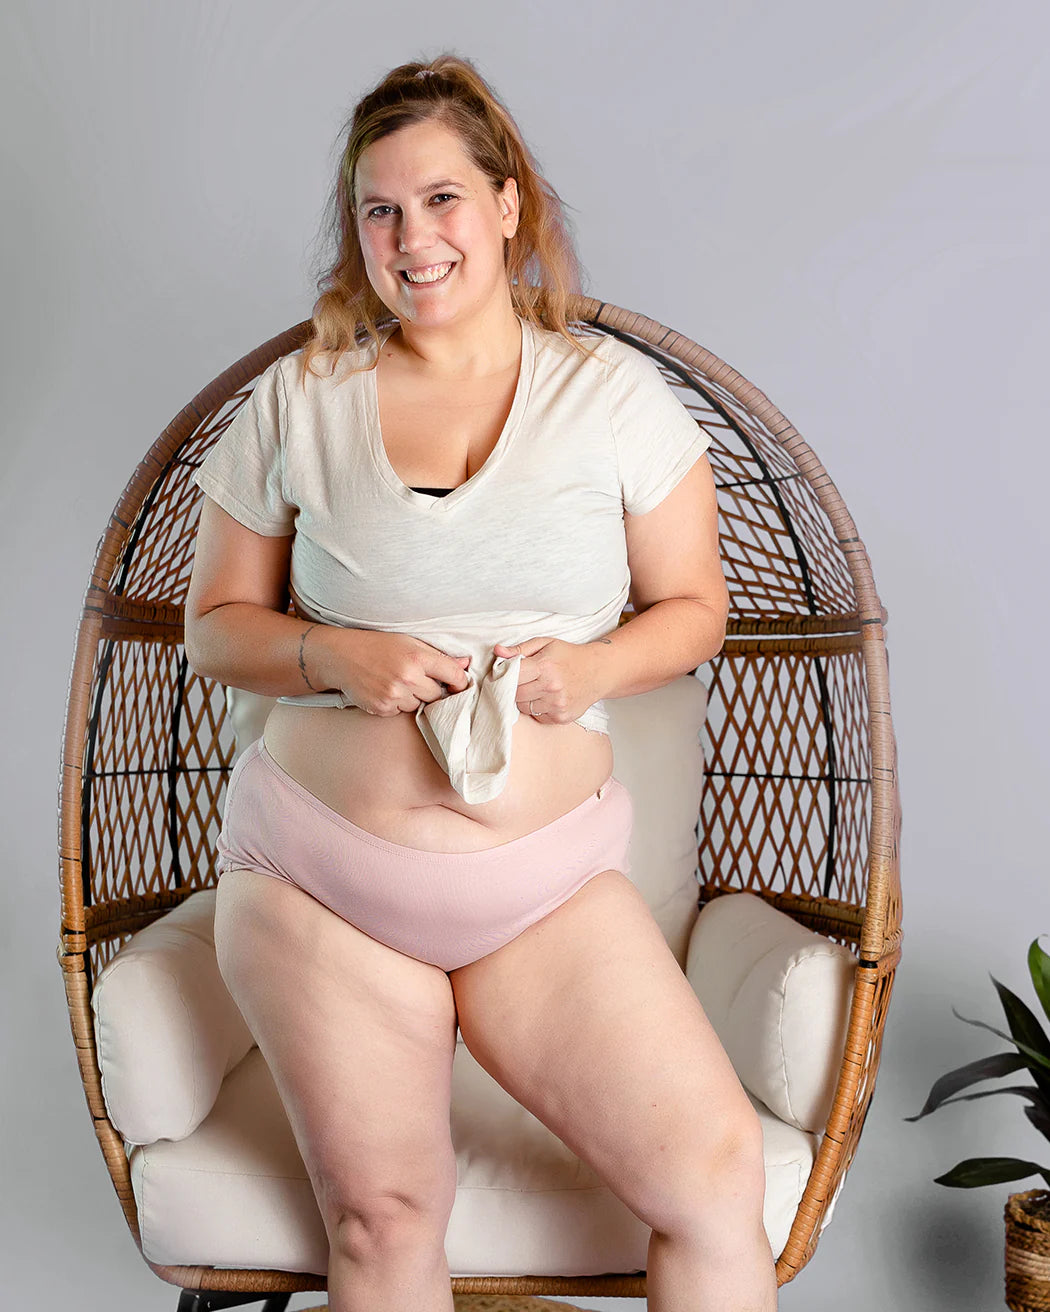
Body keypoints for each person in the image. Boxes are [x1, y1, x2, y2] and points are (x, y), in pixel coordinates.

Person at [185, 53, 777, 1312]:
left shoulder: (612, 399)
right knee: (384, 1218)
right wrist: (331, 653)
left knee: (714, 1176)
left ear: (508, 205)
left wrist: (595, 665)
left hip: (542, 893)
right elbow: (215, 629)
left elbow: (696, 609)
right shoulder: (300, 400)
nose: (414, 240)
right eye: (380, 211)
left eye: (442, 199)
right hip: (320, 884)